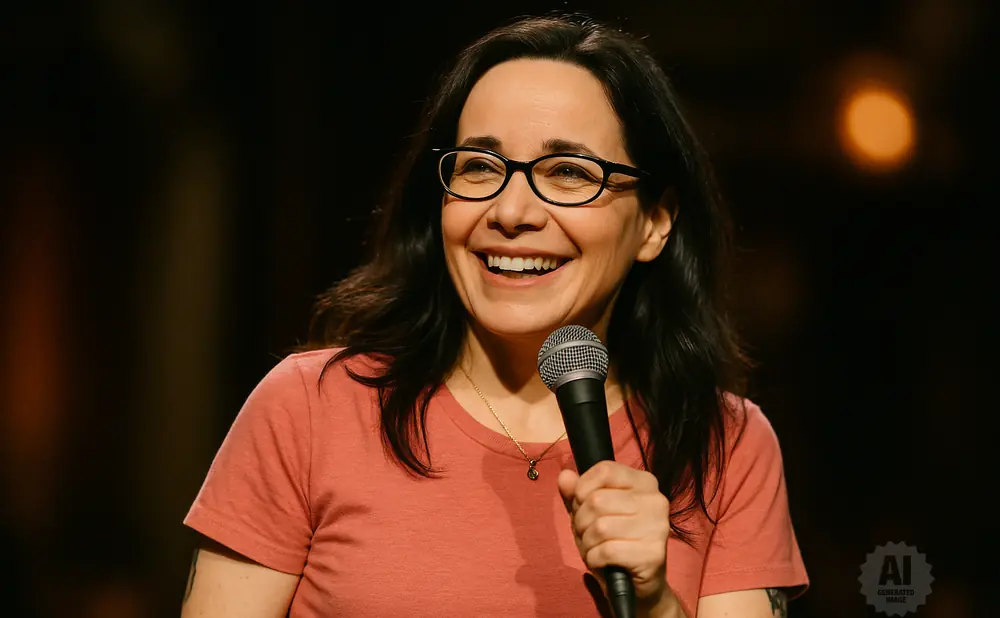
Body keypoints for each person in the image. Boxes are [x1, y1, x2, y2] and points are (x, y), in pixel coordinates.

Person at [180, 13, 808, 618]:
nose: (511, 212)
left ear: (654, 223)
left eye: (567, 172)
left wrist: (655, 605)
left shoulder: (726, 446)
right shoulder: (311, 410)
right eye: (480, 167)